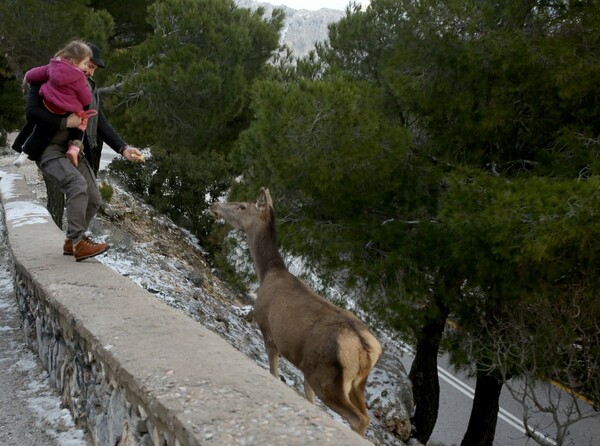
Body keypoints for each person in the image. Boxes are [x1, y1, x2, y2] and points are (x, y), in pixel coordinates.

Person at [15, 42, 144, 262]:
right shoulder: (47, 78)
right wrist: (66, 121)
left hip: (75, 149)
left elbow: (100, 122)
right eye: (89, 66)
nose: (91, 71)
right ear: (76, 61)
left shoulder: (88, 88)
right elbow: (32, 114)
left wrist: (123, 148)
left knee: (93, 199)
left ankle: (70, 242)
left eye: (93, 68)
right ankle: (77, 242)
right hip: (47, 148)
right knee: (77, 186)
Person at [16, 40, 96, 166]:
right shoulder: (79, 78)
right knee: (80, 120)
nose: (86, 68)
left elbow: (35, 73)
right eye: (86, 63)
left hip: (48, 103)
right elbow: (86, 99)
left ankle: (23, 154)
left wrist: (27, 77)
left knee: (39, 132)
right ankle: (74, 148)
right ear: (76, 61)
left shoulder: (53, 66)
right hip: (65, 109)